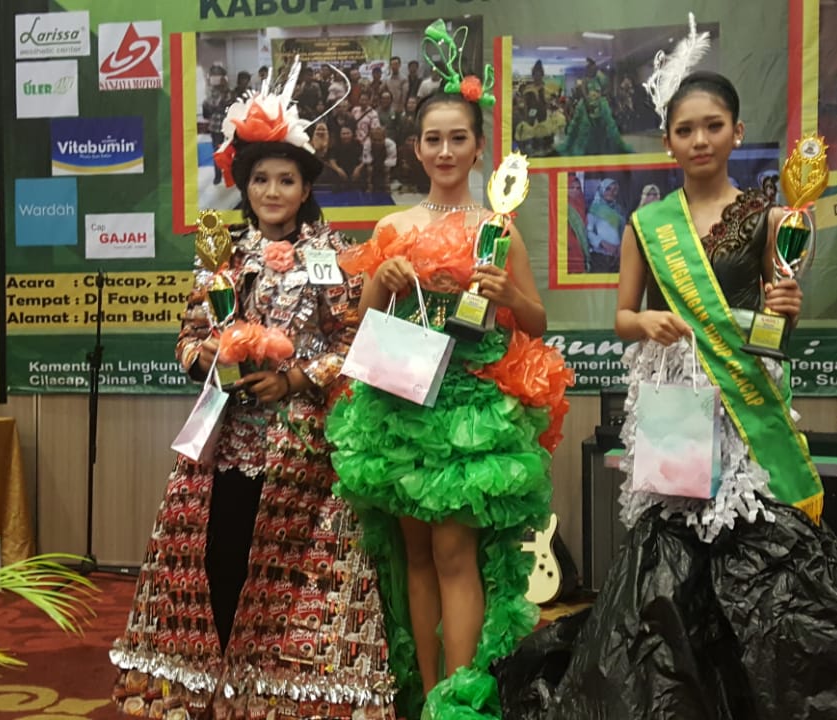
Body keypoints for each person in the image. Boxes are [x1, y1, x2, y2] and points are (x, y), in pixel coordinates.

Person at [497, 68, 837, 720]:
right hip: (676, 403)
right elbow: (623, 318)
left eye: (713, 126)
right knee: (671, 558)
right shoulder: (647, 224)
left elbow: (776, 328)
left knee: (762, 548)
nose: (700, 139)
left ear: (737, 132)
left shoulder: (771, 219)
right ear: (668, 140)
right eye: (685, 129)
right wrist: (649, 323)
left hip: (744, 409)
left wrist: (789, 307)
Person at [111, 67, 397, 720]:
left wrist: (293, 377)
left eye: (286, 180)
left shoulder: (332, 257)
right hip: (225, 444)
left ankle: (277, 700)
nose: (272, 191)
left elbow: (352, 346)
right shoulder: (222, 256)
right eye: (261, 179)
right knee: (220, 564)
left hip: (303, 451)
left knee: (294, 579)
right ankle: (219, 694)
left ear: (305, 189)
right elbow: (187, 340)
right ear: (244, 186)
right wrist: (213, 359)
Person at [325, 22, 573, 720]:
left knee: (456, 553)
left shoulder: (498, 227)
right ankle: (422, 695)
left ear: (477, 147)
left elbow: (536, 321)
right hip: (402, 405)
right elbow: (363, 324)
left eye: (457, 138)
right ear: (415, 149)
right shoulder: (392, 228)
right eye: (432, 139)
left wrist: (508, 293)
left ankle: (456, 702)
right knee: (415, 557)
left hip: (469, 408)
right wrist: (383, 281)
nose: (444, 151)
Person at [586, 178, 626, 273]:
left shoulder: (618, 209)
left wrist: (621, 246)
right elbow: (588, 232)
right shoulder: (594, 209)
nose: (611, 192)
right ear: (601, 190)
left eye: (614, 189)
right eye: (608, 189)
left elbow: (623, 230)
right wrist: (604, 244)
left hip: (617, 256)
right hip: (600, 257)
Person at [204, 64, 234, 185]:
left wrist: (224, 89)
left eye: (218, 75)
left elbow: (229, 104)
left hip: (227, 125)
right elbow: (210, 106)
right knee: (217, 151)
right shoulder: (209, 91)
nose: (216, 78)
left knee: (229, 150)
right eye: (214, 75)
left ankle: (230, 174)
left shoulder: (228, 91)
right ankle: (217, 175)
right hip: (215, 126)